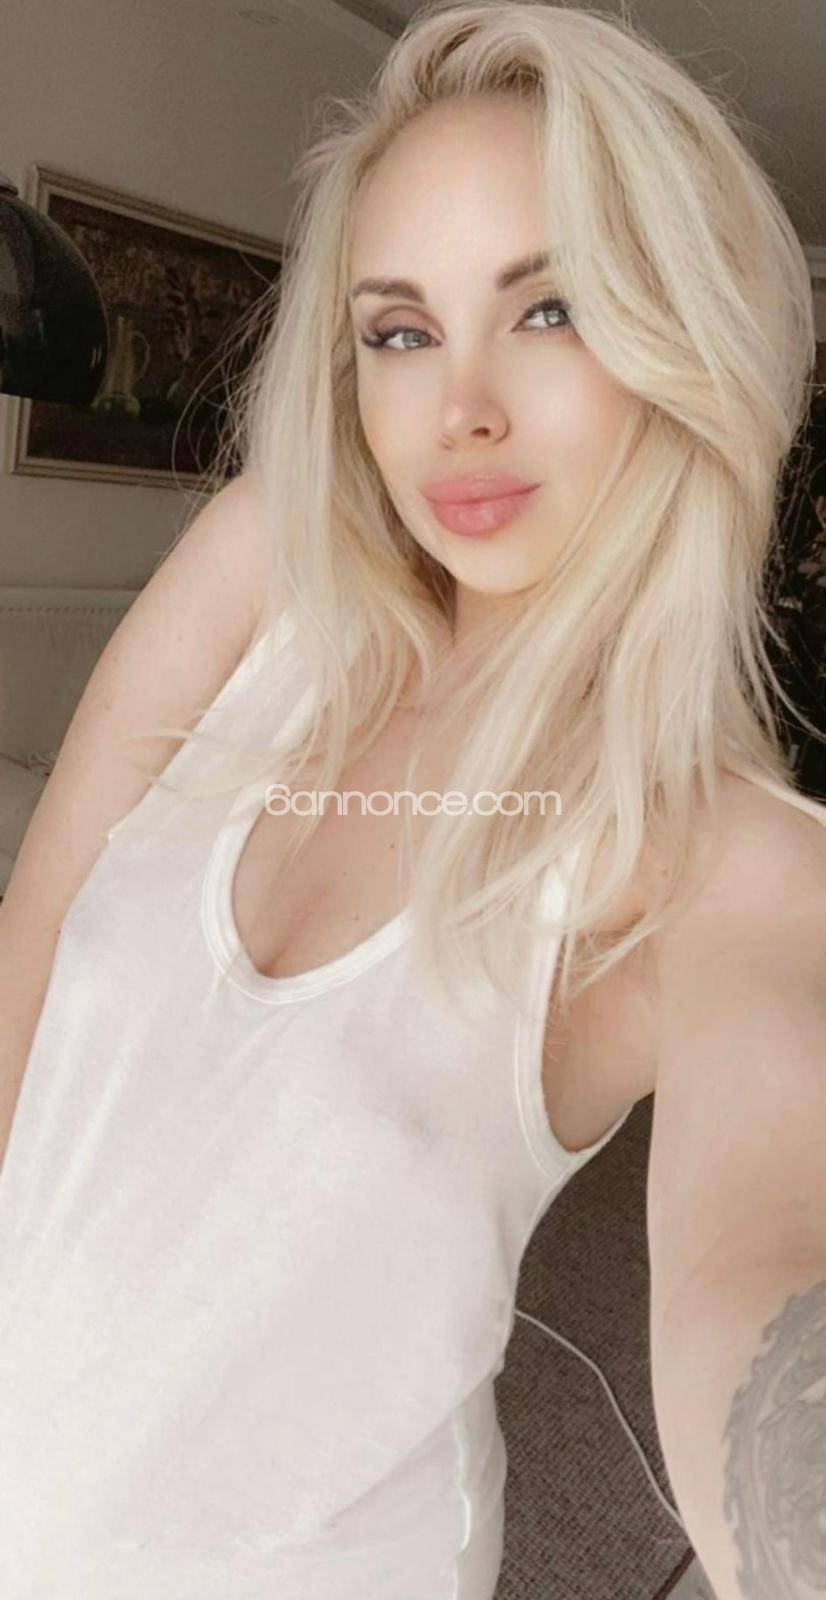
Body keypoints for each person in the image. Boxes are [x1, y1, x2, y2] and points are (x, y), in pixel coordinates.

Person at [1, 3, 825, 1597]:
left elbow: (768, 1282)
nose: (460, 411)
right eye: (399, 331)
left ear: (683, 344)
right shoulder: (262, 573)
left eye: (548, 309)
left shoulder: (721, 860)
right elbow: (26, 971)